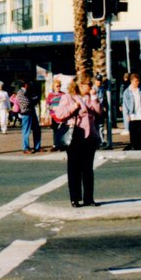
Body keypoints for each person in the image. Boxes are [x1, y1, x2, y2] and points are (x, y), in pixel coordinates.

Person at [54, 76, 103, 207]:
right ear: (80, 84)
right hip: (75, 136)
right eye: (88, 84)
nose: (90, 87)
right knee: (74, 169)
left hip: (89, 136)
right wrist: (73, 107)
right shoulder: (69, 97)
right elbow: (59, 114)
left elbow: (99, 112)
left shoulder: (89, 97)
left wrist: (94, 98)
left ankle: (89, 198)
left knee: (88, 169)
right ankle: (75, 198)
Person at [122, 73, 141, 150]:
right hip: (133, 115)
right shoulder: (127, 92)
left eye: (138, 81)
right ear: (131, 81)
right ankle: (134, 146)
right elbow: (125, 105)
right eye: (135, 81)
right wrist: (127, 115)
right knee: (133, 133)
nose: (137, 83)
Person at [14, 80, 41, 153]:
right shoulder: (20, 92)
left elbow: (37, 99)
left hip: (32, 112)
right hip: (26, 113)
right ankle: (25, 148)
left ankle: (37, 147)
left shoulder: (30, 91)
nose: (30, 85)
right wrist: (33, 100)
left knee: (37, 130)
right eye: (29, 84)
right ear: (25, 85)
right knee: (26, 131)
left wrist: (33, 100)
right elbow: (27, 103)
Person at [46, 78, 66, 151]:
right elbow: (47, 105)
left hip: (62, 116)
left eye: (59, 86)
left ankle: (62, 145)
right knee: (55, 131)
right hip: (54, 116)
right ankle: (55, 145)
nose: (58, 87)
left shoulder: (63, 94)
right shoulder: (50, 95)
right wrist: (52, 107)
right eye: (57, 86)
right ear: (53, 87)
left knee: (62, 131)